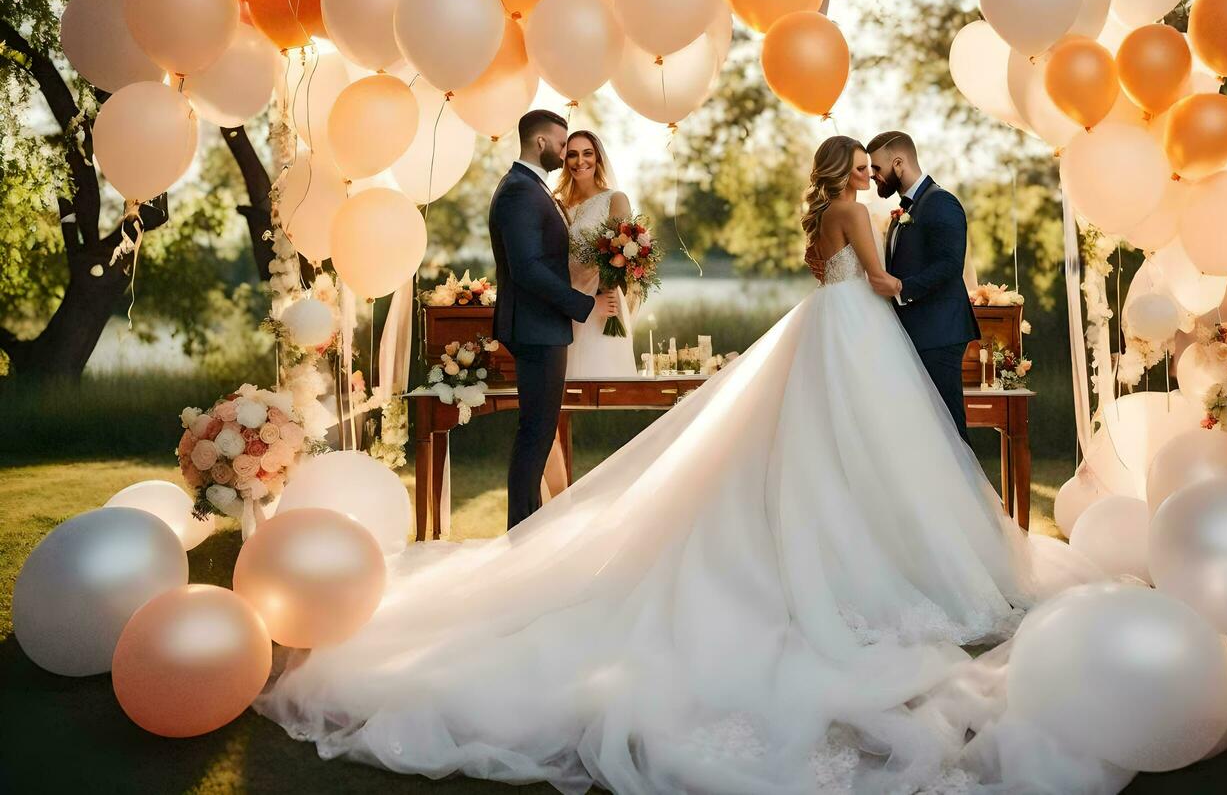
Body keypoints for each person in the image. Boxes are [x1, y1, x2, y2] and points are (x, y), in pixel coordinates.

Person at [256, 136, 1115, 794]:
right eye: (861, 163)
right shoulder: (862, 214)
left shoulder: (824, 220)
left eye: (868, 164)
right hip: (861, 329)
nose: (868, 171)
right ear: (849, 173)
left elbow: (822, 271)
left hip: (824, 324)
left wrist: (869, 263)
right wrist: (909, 279)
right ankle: (889, 560)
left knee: (830, 448)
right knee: (883, 450)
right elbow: (883, 286)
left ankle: (853, 545)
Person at [486, 110, 616, 530]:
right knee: (535, 433)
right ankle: (521, 534)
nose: (566, 155)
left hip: (540, 326)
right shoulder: (520, 192)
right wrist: (584, 305)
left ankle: (526, 528)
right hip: (536, 329)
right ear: (540, 143)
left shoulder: (530, 188)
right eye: (562, 146)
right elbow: (527, 269)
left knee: (538, 432)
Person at [539, 129, 638, 504]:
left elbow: (625, 256)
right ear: (563, 160)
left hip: (603, 308)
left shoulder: (615, 199)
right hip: (565, 308)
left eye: (588, 154)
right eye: (572, 155)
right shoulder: (557, 203)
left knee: (606, 395)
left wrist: (608, 284)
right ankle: (561, 496)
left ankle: (618, 493)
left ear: (598, 157)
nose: (580, 161)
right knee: (558, 402)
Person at [867, 129, 981, 443]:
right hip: (918, 334)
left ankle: (966, 493)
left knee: (949, 430)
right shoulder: (908, 207)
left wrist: (901, 287)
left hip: (939, 335)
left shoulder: (940, 202)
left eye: (877, 168)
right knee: (925, 433)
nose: (874, 176)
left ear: (899, 164)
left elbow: (949, 265)